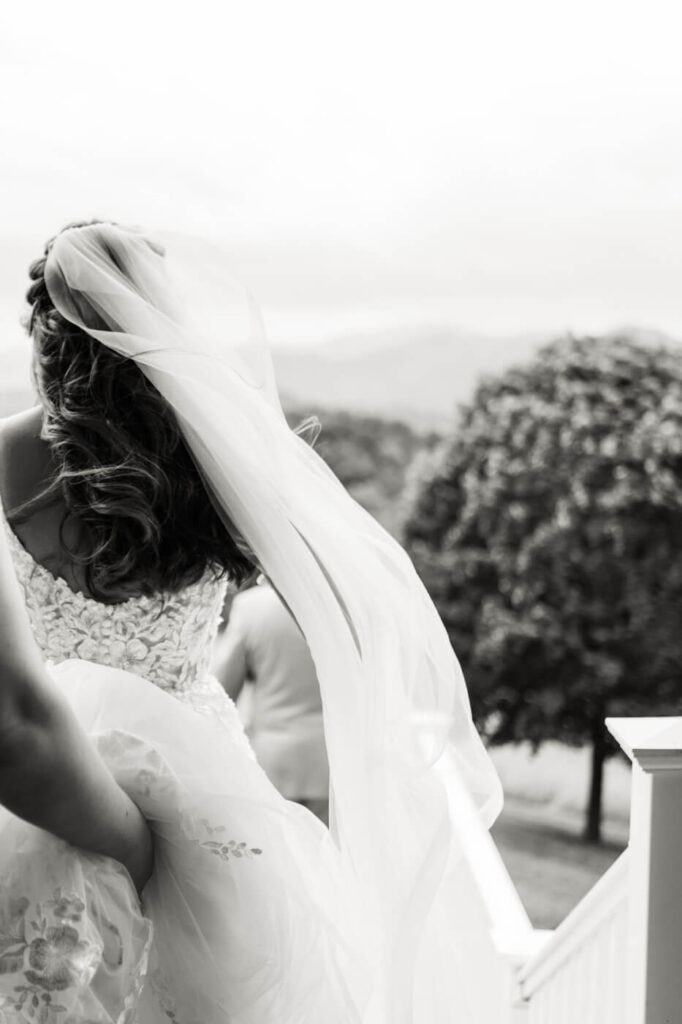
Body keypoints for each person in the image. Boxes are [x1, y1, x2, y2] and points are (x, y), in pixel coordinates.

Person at [0, 220, 503, 1023]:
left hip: (34, 792)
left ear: (45, 335)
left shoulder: (1, 459)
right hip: (200, 798)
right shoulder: (218, 463)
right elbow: (356, 597)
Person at [215, 577, 330, 822]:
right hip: (332, 763)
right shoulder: (339, 606)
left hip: (273, 762)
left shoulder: (252, 606)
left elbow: (223, 690)